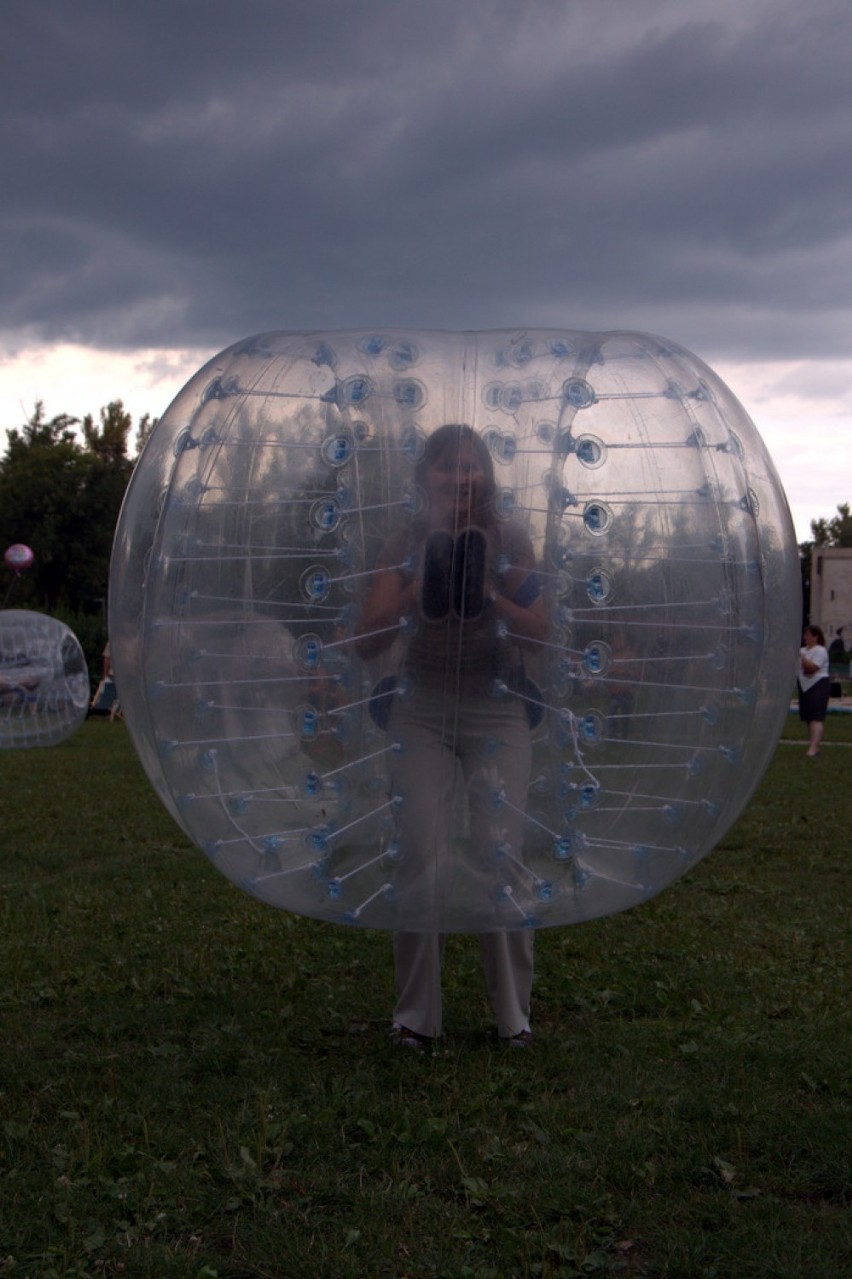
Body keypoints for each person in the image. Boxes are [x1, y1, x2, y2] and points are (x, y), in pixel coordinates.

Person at [355, 424, 547, 1049]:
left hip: (496, 705)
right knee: (422, 857)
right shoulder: (402, 542)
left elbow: (542, 633)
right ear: (424, 476)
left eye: (471, 467)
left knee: (501, 857)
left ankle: (513, 1018)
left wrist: (488, 593)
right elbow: (367, 641)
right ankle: (416, 1018)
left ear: (486, 477)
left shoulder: (511, 541)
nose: (459, 478)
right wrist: (421, 585)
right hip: (423, 706)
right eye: (446, 467)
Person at [797, 624, 830, 757]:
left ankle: (813, 747)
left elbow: (811, 669)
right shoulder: (803, 650)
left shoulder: (820, 651)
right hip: (805, 686)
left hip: (818, 685)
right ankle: (814, 746)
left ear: (815, 637)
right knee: (809, 718)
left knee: (816, 718)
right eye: (805, 635)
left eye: (808, 635)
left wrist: (802, 657)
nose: (805, 638)